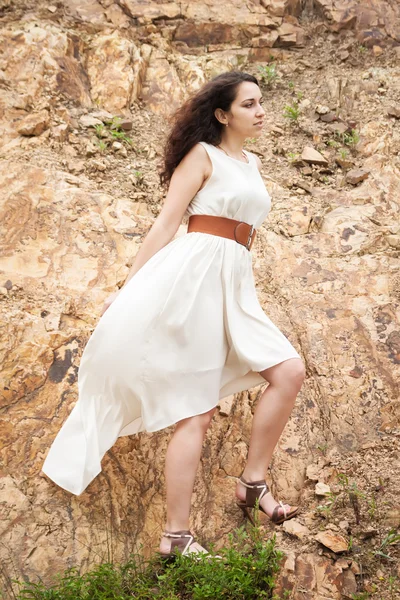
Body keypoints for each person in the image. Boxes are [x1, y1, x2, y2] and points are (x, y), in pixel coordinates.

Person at [42, 71, 305, 558]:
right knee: (196, 411)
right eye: (249, 104)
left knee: (289, 371)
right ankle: (176, 535)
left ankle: (252, 481)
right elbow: (166, 223)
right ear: (222, 114)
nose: (260, 111)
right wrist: (128, 288)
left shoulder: (252, 163)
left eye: (261, 102)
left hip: (233, 284)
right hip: (191, 281)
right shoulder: (203, 156)